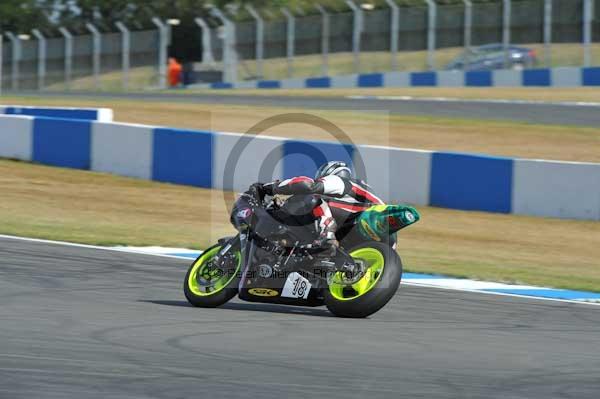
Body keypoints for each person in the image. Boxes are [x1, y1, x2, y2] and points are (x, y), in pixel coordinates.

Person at [243, 161, 420, 249]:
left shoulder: (343, 182)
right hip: (386, 242)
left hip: (360, 220)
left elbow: (307, 185)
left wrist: (268, 188)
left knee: (311, 197)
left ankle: (326, 238)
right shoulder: (366, 194)